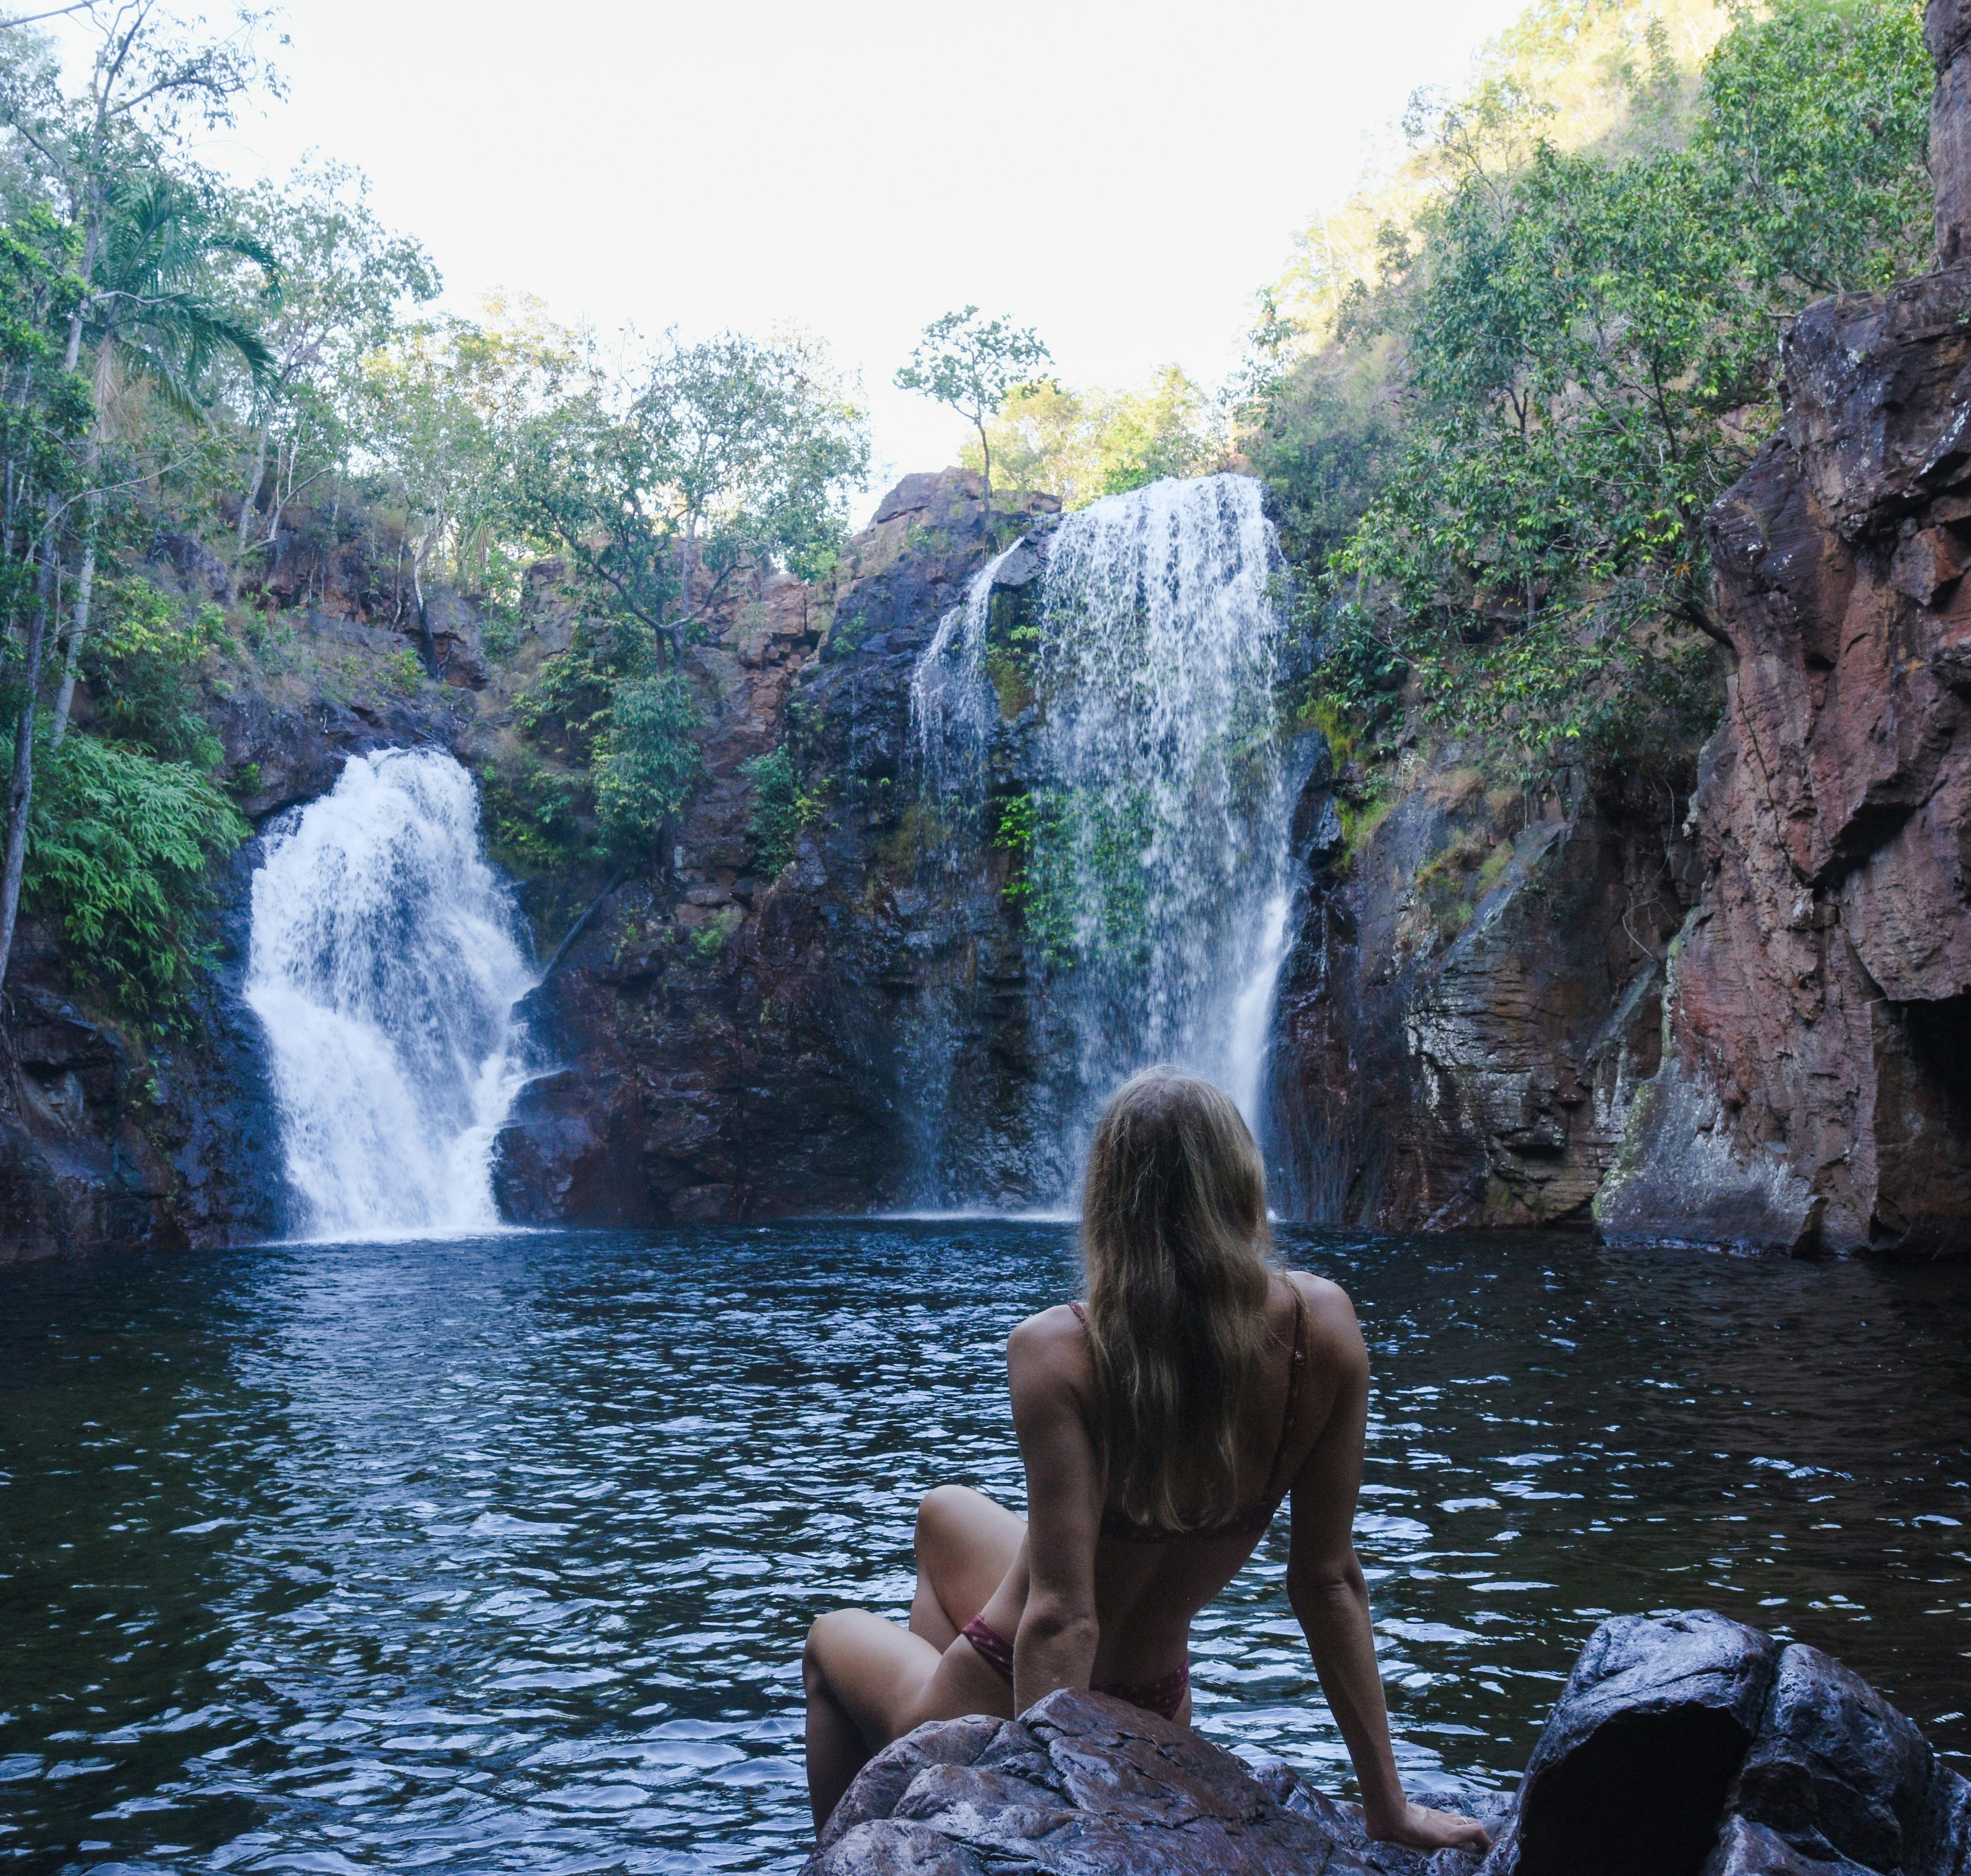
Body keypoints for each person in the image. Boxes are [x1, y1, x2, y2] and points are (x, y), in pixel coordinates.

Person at [801, 1067, 1491, 1854]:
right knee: (944, 1512)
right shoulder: (1321, 1325)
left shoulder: (1056, 1349)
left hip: (1032, 1693)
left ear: (1107, 1199)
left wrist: (1047, 1826)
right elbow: (1328, 1581)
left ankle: (879, 1822)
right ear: (1239, 1187)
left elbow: (1064, 1615)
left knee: (830, 1636)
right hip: (1153, 1705)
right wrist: (1388, 1809)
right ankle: (930, 1779)